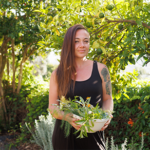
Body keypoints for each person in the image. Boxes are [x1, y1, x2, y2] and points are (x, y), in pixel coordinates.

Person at [49, 24, 113, 150]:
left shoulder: (102, 70)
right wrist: (67, 117)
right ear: (68, 44)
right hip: (65, 137)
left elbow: (108, 99)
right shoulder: (57, 74)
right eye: (76, 41)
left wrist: (107, 116)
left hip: (93, 133)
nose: (82, 45)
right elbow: (52, 107)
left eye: (86, 41)